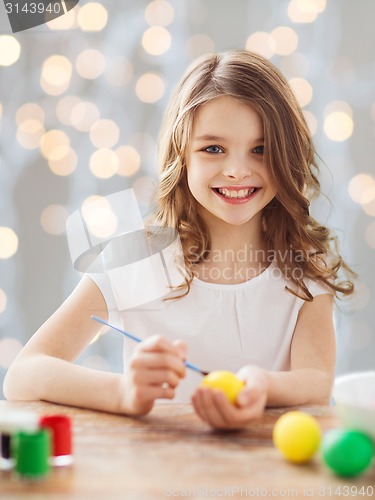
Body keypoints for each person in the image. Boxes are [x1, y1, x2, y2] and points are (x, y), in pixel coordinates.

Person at [4, 50, 355, 429]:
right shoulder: (136, 257)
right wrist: (124, 393)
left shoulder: (304, 264)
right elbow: (23, 375)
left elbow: (317, 383)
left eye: (261, 149)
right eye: (213, 149)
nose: (237, 170)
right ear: (182, 156)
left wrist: (262, 386)